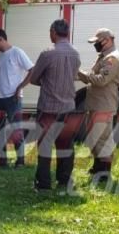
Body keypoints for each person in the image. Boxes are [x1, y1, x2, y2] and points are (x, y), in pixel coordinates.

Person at [17, 19, 80, 191]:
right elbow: (74, 75)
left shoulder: (47, 53)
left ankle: (43, 183)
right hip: (68, 106)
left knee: (45, 144)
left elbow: (35, 77)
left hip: (48, 107)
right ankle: (64, 179)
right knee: (66, 144)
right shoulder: (75, 53)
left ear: (53, 32)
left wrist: (47, 81)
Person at [78, 28, 119, 182]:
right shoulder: (103, 57)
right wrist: (80, 73)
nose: (96, 45)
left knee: (103, 138)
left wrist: (81, 73)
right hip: (96, 104)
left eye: (97, 42)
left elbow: (100, 80)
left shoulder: (113, 59)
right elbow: (92, 77)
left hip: (104, 104)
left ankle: (104, 173)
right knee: (94, 137)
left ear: (107, 40)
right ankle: (97, 167)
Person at [0, 28, 32, 168]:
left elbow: (32, 70)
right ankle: (2, 160)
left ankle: (20, 160)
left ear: (1, 38)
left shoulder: (17, 52)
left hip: (13, 98)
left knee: (16, 129)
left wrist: (20, 87)